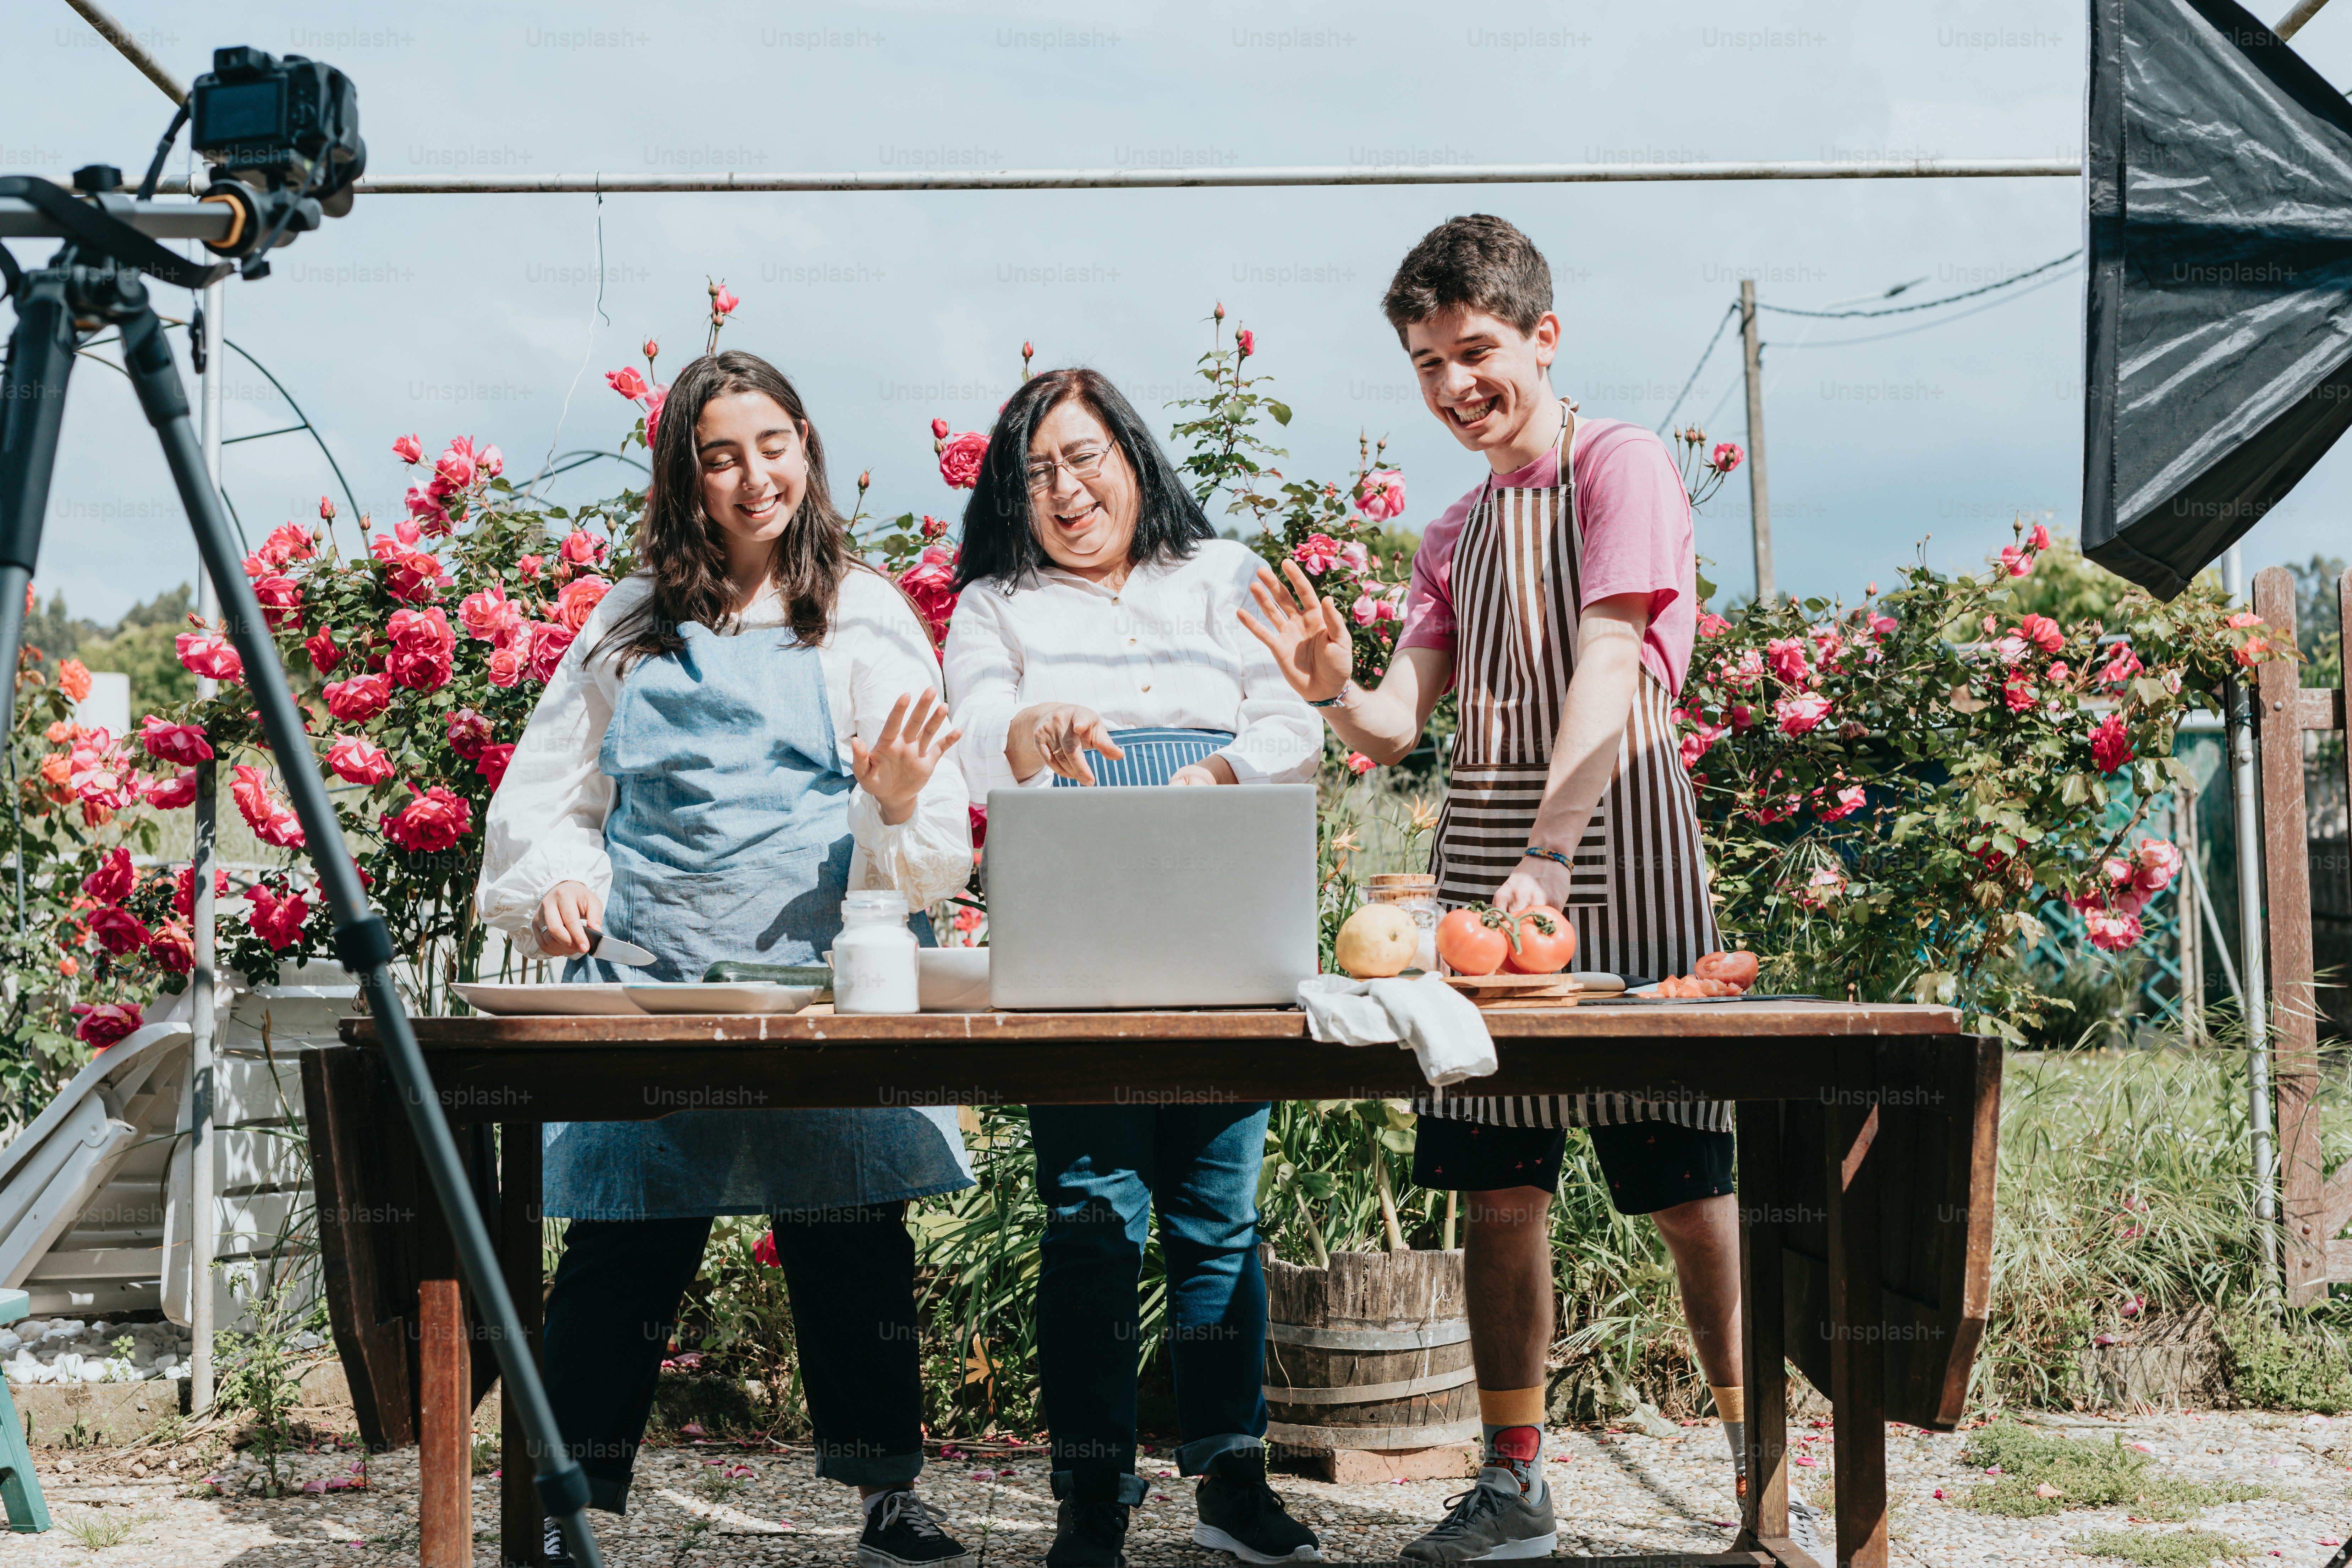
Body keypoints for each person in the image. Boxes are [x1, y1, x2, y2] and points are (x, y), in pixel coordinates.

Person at [1241, 215, 1822, 1563]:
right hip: (1481, 883)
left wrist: (1551, 851)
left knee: (1688, 1196)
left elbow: (1613, 670)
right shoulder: (1450, 530)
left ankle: (1764, 1484)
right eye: (1427, 363)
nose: (1453, 386)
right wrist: (1330, 686)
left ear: (1542, 338)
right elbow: (1396, 725)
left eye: (1476, 351)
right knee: (1498, 1195)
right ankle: (1514, 1485)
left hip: (1617, 867)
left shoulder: (1623, 467)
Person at [478, 350, 979, 1568]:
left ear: (804, 446)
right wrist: (556, 889)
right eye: (719, 456)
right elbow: (546, 805)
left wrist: (901, 802)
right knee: (623, 1236)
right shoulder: (626, 623)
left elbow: (932, 835)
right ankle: (574, 1501)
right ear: (685, 477)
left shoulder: (862, 613)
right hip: (652, 971)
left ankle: (887, 1494)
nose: (753, 477)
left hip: (820, 972)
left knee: (849, 1222)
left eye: (772, 445)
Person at [942, 367, 1322, 1568]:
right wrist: (1033, 735)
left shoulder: (1223, 574)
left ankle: (1229, 1477)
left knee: (1218, 1218)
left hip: (1219, 885)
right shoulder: (993, 605)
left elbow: (1294, 720)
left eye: (1085, 456)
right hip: (1079, 906)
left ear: (1134, 457)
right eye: (1037, 470)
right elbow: (969, 737)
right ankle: (1090, 1493)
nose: (1065, 488)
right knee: (1090, 1215)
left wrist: (1206, 780)